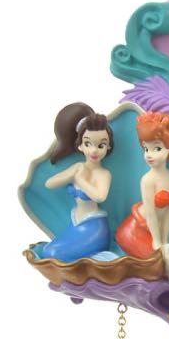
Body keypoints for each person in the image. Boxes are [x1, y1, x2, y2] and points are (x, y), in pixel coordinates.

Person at [35, 103, 114, 261]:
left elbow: (100, 196)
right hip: (76, 223)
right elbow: (49, 184)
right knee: (48, 250)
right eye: (88, 144)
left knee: (54, 254)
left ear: (108, 147)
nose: (94, 150)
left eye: (101, 145)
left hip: (94, 227)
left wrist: (80, 180)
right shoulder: (78, 167)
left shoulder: (103, 174)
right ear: (80, 146)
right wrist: (71, 174)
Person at [116, 111, 169, 258]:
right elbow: (151, 214)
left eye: (157, 148)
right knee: (156, 261)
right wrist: (157, 241)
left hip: (156, 229)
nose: (149, 154)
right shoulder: (148, 180)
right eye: (146, 149)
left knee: (165, 258)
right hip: (136, 229)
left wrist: (165, 240)